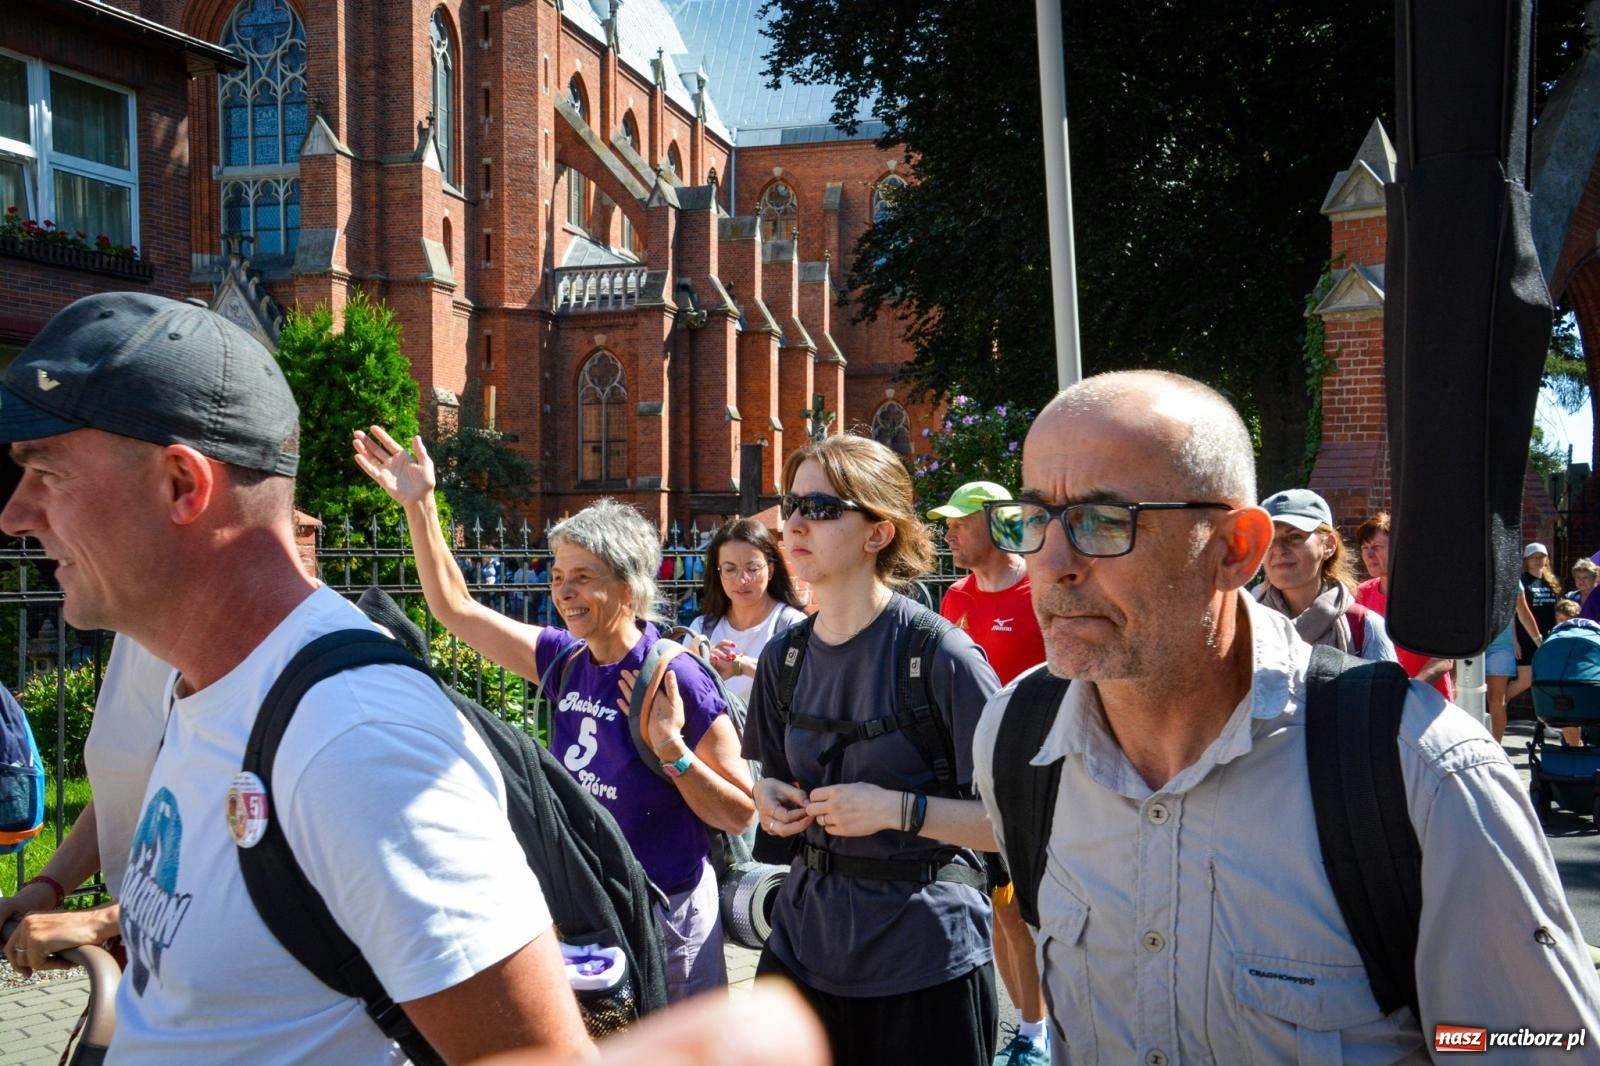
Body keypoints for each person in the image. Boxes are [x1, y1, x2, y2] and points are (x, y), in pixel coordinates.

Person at [0, 292, 591, 1063]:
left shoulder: (356, 741)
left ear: (182, 484)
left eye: (47, 473)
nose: (15, 515)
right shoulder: (210, 689)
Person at [974, 370, 1600, 1063]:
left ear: (1236, 549)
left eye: (1104, 521)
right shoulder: (1017, 737)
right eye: (1033, 520)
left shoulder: (1421, 770)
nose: (1053, 562)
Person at [355, 432, 754, 1001]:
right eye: (558, 576)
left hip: (668, 917)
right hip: (592, 914)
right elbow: (455, 608)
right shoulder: (563, 658)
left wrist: (671, 749)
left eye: (583, 577)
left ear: (629, 583)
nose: (563, 592)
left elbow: (740, 813)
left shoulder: (676, 676)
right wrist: (420, 505)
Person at [745, 434, 1001, 1065]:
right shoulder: (785, 657)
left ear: (877, 534)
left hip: (921, 956)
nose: (795, 522)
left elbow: (1018, 826)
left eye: (822, 508)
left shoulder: (941, 656)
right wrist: (768, 797)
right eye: (791, 503)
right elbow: (773, 780)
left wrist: (898, 809)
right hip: (804, 943)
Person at [927, 480, 1050, 1066]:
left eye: (960, 522)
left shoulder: (1039, 592)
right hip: (974, 781)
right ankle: (1029, 1029)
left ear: (998, 524)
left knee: (1029, 913)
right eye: (947, 522)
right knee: (999, 910)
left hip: (1036, 782)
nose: (949, 532)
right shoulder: (953, 599)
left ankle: (1040, 1033)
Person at [0, 635, 172, 976]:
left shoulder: (247, 643)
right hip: (139, 950)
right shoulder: (135, 638)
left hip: (216, 976)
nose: (61, 578)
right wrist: (42, 891)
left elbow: (247, 854)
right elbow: (123, 796)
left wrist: (101, 918)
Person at [1254, 489, 1398, 662]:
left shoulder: (1365, 628)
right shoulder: (1241, 627)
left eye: (1295, 537)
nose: (1278, 549)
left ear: (1328, 545)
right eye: (1269, 539)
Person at [686, 518, 807, 702]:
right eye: (730, 569)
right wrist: (694, 666)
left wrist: (741, 666)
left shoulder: (792, 626)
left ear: (771, 570)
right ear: (719, 573)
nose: (742, 580)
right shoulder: (702, 629)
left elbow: (805, 689)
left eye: (752, 568)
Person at [1352, 511, 1454, 696]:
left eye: (1376, 546)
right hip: (1379, 700)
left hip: (1427, 701)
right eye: (1364, 547)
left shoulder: (1428, 593)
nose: (1368, 554)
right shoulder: (1361, 593)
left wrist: (1408, 690)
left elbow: (1444, 657)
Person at [1485, 588, 1543, 742]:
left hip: (1500, 644)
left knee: (1496, 700)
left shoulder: (1512, 575)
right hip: (1470, 641)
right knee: (1459, 695)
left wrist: (1540, 644)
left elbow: (1523, 614)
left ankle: (1495, 747)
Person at [1520, 542, 1563, 660]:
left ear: (1547, 559)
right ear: (1526, 560)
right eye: (1533, 557)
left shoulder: (1551, 582)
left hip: (1549, 634)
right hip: (1526, 635)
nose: (1537, 560)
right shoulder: (1522, 581)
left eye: (1541, 556)